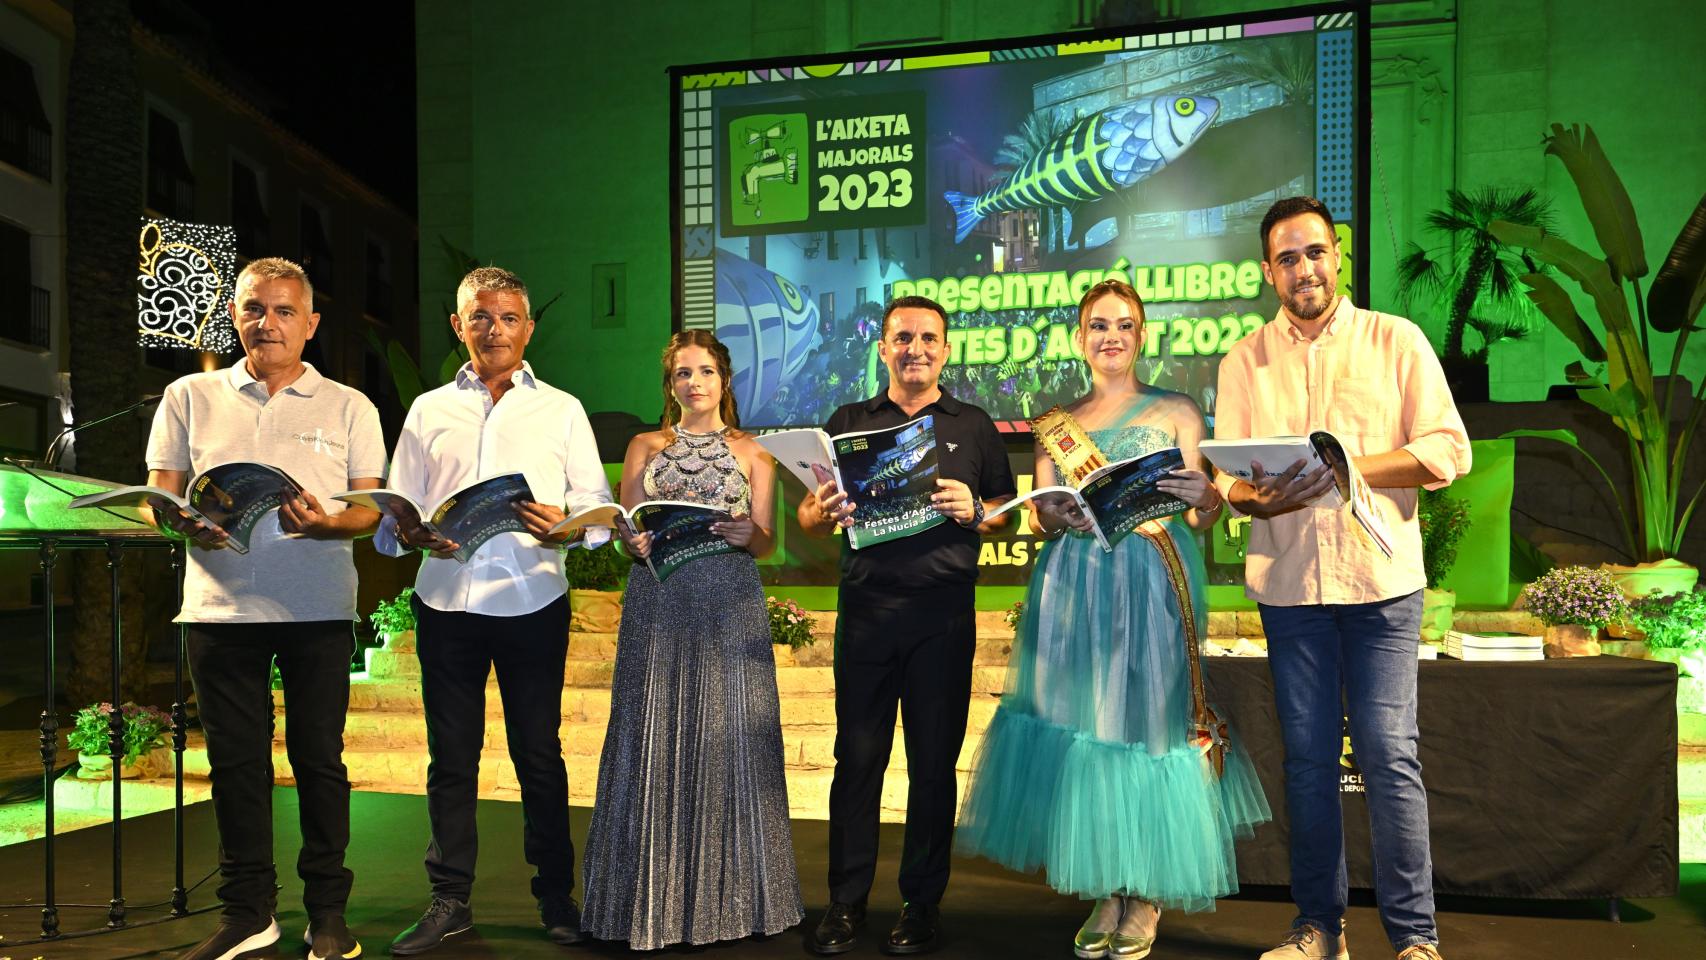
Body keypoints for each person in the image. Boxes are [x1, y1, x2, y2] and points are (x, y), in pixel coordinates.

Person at [954, 279, 1271, 960]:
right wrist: (1053, 517)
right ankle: (1107, 883)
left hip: (1154, 579)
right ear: (1079, 338)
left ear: (1142, 335)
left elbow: (1202, 512)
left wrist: (1207, 497)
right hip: (1078, 581)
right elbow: (1043, 513)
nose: (1111, 337)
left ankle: (1146, 888)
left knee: (1149, 723)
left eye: (1124, 325)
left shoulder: (1180, 410)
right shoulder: (1056, 423)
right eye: (1098, 326)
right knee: (1090, 723)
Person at [1213, 197, 1471, 960]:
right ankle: (1318, 930)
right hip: (1290, 589)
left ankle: (1415, 939)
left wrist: (1350, 467)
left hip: (1382, 587)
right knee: (1308, 764)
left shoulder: (1397, 341)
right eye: (1288, 259)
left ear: (1339, 257)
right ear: (1269, 272)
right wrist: (1249, 493)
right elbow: (1229, 475)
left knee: (1391, 757)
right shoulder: (1241, 359)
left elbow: (1447, 452)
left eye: (1316, 253)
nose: (1305, 269)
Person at [143, 257, 384, 960]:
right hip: (219, 611)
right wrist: (179, 521)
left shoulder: (350, 406)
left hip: (316, 606)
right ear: (236, 316)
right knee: (236, 765)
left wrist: (325, 523)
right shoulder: (188, 394)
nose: (266, 322)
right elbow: (162, 495)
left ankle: (327, 915)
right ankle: (248, 912)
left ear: (310, 324)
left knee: (320, 761)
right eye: (254, 308)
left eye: (283, 311)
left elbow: (369, 510)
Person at [379, 266, 613, 954]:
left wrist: (566, 525)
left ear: (528, 327)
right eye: (480, 317)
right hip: (445, 599)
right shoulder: (427, 410)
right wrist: (408, 529)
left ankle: (555, 898)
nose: (495, 330)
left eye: (509, 317)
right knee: (451, 758)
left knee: (538, 754)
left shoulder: (562, 409)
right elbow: (394, 519)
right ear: (458, 326)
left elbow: (597, 512)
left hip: (533, 597)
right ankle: (449, 900)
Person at [800, 296, 1016, 956]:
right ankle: (845, 902)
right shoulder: (848, 422)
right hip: (866, 613)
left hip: (942, 617)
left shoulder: (974, 425)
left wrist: (976, 508)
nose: (914, 348)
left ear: (946, 350)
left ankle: (921, 903)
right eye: (902, 338)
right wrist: (822, 508)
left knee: (931, 767)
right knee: (856, 760)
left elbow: (1008, 510)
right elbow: (811, 515)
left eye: (927, 338)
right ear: (884, 347)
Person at [579, 330, 803, 949]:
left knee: (733, 740)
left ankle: (736, 904)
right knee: (652, 734)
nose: (694, 382)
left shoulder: (755, 451)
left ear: (724, 381)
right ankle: (646, 903)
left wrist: (744, 535)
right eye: (682, 373)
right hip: (659, 602)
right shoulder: (644, 446)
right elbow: (629, 530)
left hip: (730, 603)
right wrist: (635, 541)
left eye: (705, 371)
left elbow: (767, 541)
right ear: (670, 384)